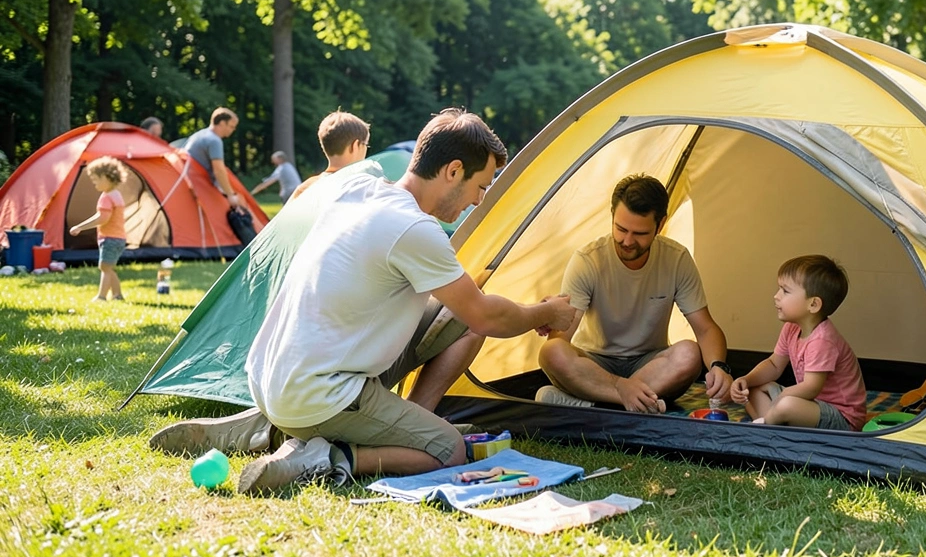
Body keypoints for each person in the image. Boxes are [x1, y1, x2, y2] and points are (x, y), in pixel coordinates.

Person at [154, 109, 580, 495]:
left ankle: (261, 428)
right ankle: (324, 458)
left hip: (269, 375)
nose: (479, 200)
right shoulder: (414, 229)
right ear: (453, 171)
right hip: (318, 391)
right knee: (447, 450)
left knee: (457, 317)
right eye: (480, 186)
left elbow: (463, 310)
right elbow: (485, 316)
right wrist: (546, 312)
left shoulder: (358, 186)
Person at [536, 174, 731, 413]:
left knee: (689, 354)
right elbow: (560, 339)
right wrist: (619, 385)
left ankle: (597, 405)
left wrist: (719, 367)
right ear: (612, 217)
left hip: (650, 362)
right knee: (551, 351)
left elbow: (705, 328)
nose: (627, 241)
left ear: (660, 225)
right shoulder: (588, 260)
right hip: (595, 364)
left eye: (639, 233)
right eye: (620, 229)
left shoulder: (676, 259)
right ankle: (633, 401)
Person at [730, 255, 867, 430]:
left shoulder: (822, 340)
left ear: (813, 304)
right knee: (756, 390)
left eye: (785, 291)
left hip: (841, 418)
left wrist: (782, 398)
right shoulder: (791, 328)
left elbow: (811, 388)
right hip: (808, 404)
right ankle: (773, 425)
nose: (776, 296)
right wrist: (746, 380)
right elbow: (774, 364)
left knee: (787, 405)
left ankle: (768, 425)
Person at [69, 156, 128, 302]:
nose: (94, 183)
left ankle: (101, 296)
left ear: (107, 177)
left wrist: (80, 227)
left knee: (105, 267)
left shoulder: (107, 197)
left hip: (110, 238)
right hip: (118, 238)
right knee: (108, 267)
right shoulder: (117, 195)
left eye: (96, 179)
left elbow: (102, 218)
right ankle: (117, 295)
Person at [288, 110, 369, 201]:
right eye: (366, 144)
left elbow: (285, 215)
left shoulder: (305, 188)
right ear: (355, 146)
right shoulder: (365, 188)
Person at [183, 108, 241, 208]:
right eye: (231, 126)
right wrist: (230, 194)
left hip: (187, 184)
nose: (233, 130)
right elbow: (219, 170)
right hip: (200, 188)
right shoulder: (214, 140)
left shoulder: (198, 135)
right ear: (222, 123)